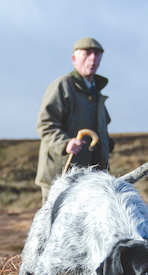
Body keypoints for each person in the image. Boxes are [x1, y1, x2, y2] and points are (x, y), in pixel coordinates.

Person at [35, 37, 114, 203]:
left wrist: (106, 145)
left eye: (97, 54)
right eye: (87, 54)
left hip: (91, 175)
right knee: (54, 224)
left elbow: (102, 128)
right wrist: (65, 143)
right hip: (60, 173)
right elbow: (45, 125)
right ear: (74, 59)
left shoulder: (96, 92)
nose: (93, 59)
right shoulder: (61, 87)